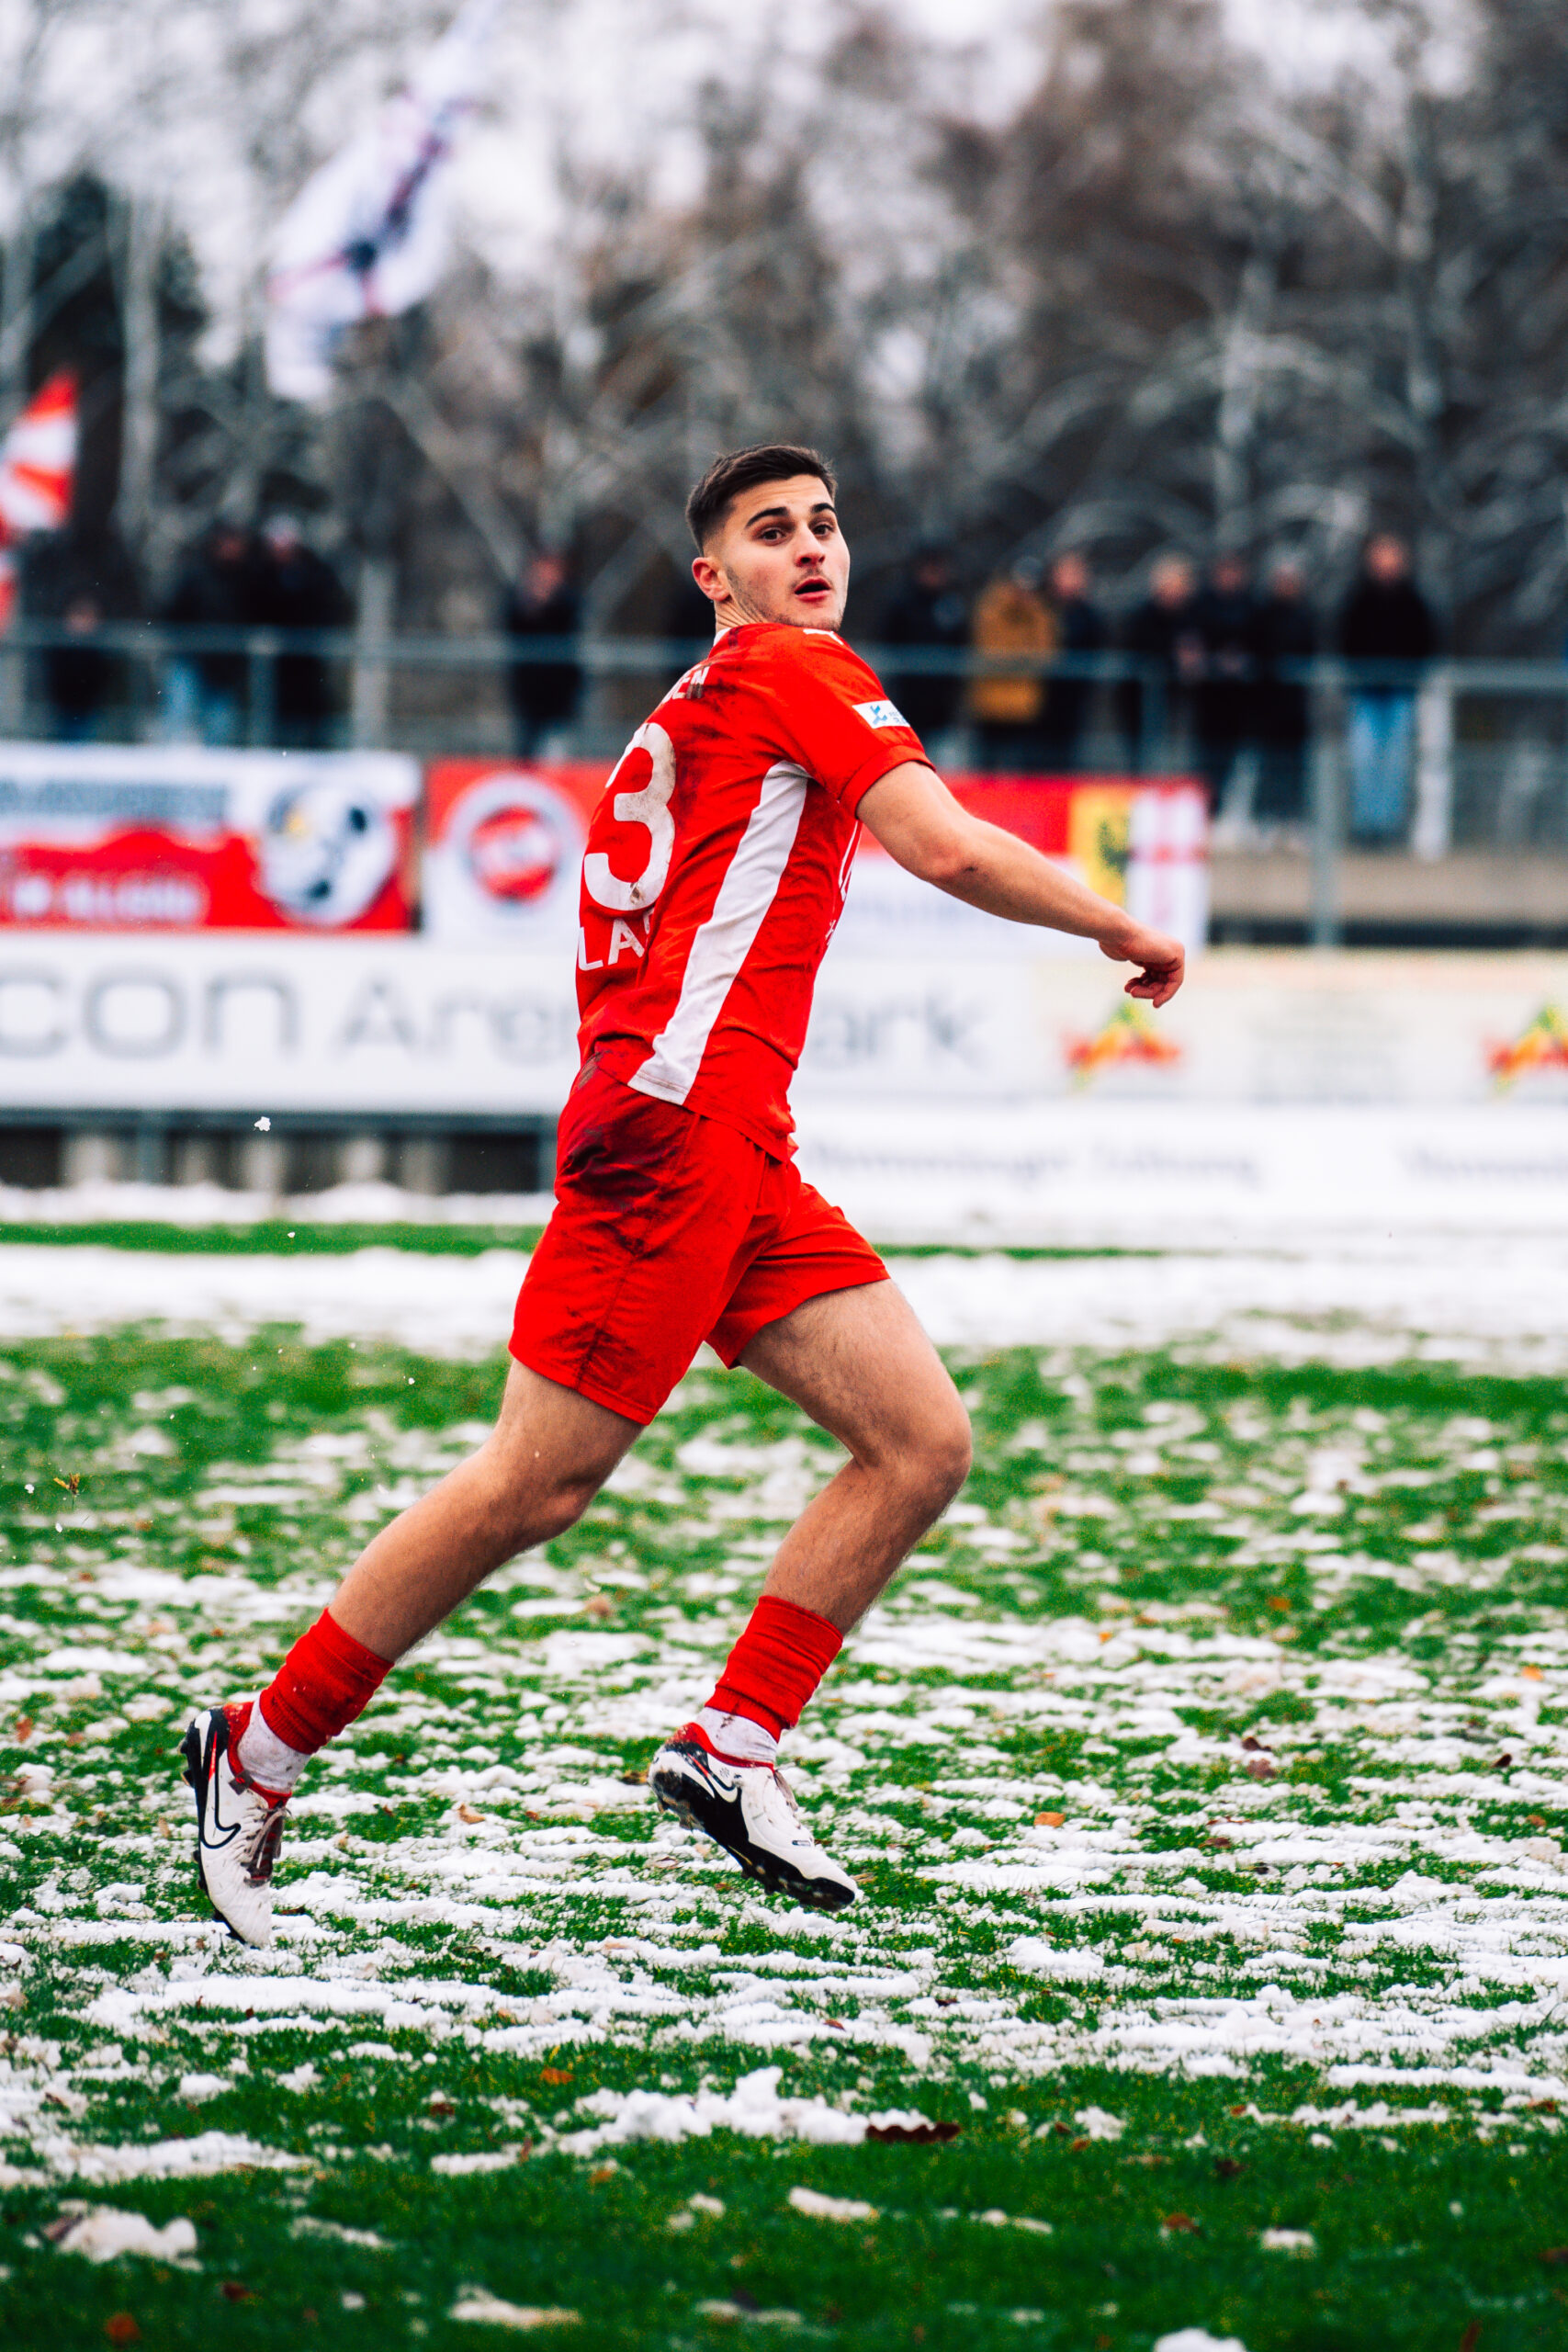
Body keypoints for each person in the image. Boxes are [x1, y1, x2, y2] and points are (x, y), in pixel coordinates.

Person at [181, 442, 1185, 1948]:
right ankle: (257, 1749)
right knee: (533, 1485)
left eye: (825, 523)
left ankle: (732, 1745)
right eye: (772, 532)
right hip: (675, 1135)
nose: (811, 548)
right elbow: (941, 844)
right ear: (715, 578)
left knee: (917, 1442)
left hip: (732, 1143)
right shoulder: (790, 667)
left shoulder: (707, 701)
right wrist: (1115, 924)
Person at [1337, 535, 1437, 845]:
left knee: (1395, 762)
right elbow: (1345, 640)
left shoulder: (1413, 601)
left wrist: (1410, 674)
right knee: (1363, 758)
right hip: (1365, 692)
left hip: (1400, 693)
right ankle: (1365, 825)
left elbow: (1426, 642)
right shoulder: (1358, 598)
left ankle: (1388, 826)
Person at [249, 517, 351, 750]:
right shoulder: (261, 572)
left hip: (310, 658)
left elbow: (332, 605)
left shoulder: (315, 570)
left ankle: (318, 747)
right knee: (276, 712)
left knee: (313, 712)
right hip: (276, 663)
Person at [162, 522, 256, 745]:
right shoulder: (196, 573)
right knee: (178, 718)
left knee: (220, 728)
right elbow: (171, 610)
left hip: (225, 666)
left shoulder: (247, 578)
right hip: (190, 658)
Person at [878, 546, 968, 746]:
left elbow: (962, 642)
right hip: (906, 699)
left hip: (943, 703)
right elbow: (886, 639)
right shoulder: (901, 603)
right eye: (930, 568)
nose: (934, 574)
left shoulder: (952, 604)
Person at [970, 558, 1055, 772]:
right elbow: (991, 651)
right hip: (991, 704)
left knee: (1023, 769)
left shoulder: (1038, 614)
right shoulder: (993, 608)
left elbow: (1045, 653)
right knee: (986, 768)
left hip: (1025, 705)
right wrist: (1021, 659)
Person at [1118, 554, 1201, 771]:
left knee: (1174, 756)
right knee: (1141, 757)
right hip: (1140, 703)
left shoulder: (1192, 616)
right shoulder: (1142, 615)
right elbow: (1140, 647)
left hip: (1175, 701)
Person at [1190, 554, 1258, 815]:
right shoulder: (1202, 606)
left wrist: (1244, 661)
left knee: (1239, 759)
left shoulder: (1250, 606)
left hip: (1242, 701)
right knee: (1207, 758)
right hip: (1209, 699)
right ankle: (1208, 809)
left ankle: (1234, 813)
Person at [1252, 560, 1317, 827]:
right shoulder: (1262, 616)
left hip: (1296, 705)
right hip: (1267, 703)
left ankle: (1292, 818)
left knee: (1295, 764)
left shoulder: (1306, 616)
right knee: (1267, 763)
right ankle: (1265, 817)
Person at [502, 549, 582, 756]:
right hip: (527, 697)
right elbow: (512, 622)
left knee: (557, 755)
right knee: (526, 754)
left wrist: (549, 602)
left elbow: (569, 622)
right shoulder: (518, 601)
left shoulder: (569, 603)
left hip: (560, 699)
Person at [1039, 551, 1107, 773]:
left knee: (1068, 761)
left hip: (1074, 700)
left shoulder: (1089, 615)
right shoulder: (1041, 607)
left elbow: (1097, 646)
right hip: (1038, 698)